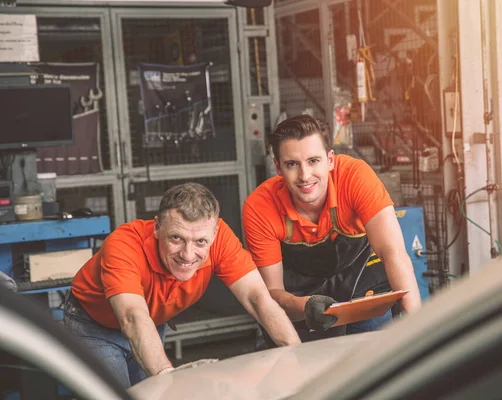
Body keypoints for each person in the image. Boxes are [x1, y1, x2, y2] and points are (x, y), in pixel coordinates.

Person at [64, 183, 300, 388]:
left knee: (152, 393)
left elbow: (257, 298)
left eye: (200, 242)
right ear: (157, 227)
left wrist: (298, 358)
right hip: (95, 326)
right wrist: (169, 378)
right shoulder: (124, 246)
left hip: (151, 323)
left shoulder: (220, 239)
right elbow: (132, 317)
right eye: (176, 238)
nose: (188, 255)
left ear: (214, 233)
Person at [242, 115, 422, 345]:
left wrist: (418, 329)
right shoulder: (259, 207)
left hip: (360, 283)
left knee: (376, 352)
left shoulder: (355, 177)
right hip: (300, 294)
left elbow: (393, 253)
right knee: (309, 367)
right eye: (292, 164)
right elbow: (272, 293)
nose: (305, 176)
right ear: (277, 166)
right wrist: (306, 308)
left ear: (330, 160)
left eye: (313, 161)